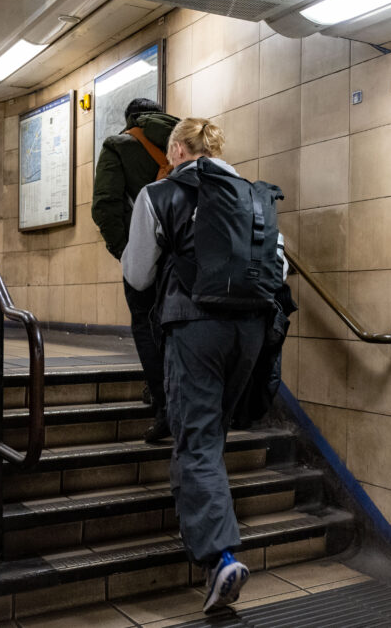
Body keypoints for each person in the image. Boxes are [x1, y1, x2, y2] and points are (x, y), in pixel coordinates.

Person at [122, 118, 287, 613]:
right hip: (251, 331)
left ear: (175, 149)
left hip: (194, 325)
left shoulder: (160, 194)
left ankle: (219, 559)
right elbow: (279, 266)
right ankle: (202, 529)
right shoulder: (254, 193)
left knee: (196, 440)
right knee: (207, 436)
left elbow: (137, 271)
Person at [92, 98, 180, 442]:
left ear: (131, 121)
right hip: (188, 259)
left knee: (146, 326)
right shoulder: (187, 140)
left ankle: (164, 406)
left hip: (147, 255)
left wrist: (127, 254)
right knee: (178, 329)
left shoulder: (119, 145)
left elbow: (105, 205)